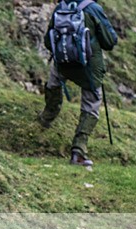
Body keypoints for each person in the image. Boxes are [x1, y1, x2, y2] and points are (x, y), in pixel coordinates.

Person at [38, 0, 118, 166]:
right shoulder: (93, 9)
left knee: (53, 83)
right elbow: (110, 42)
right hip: (88, 66)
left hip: (63, 62)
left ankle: (46, 118)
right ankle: (78, 151)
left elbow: (48, 41)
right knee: (91, 104)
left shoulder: (61, 7)